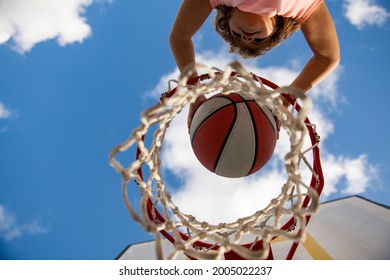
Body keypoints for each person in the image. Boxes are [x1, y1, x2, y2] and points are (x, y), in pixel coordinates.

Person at [169, 0, 340, 128]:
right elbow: (327, 58)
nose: (248, 37)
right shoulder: (300, 6)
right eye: (259, 40)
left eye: (236, 34)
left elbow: (179, 38)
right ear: (276, 29)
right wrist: (284, 100)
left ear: (228, 17)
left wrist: (195, 91)